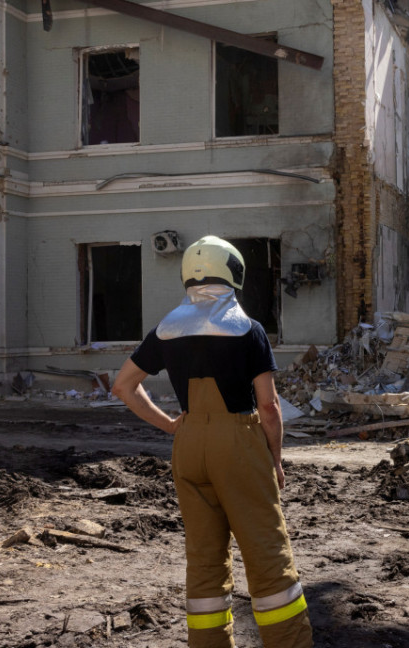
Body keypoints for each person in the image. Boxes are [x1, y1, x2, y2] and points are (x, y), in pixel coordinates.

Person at [111, 236, 312, 648]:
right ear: (235, 273)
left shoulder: (166, 330)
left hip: (188, 449)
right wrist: (275, 460)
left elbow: (124, 386)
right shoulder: (247, 329)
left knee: (204, 559)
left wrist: (171, 426)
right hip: (237, 445)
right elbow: (269, 407)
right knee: (267, 555)